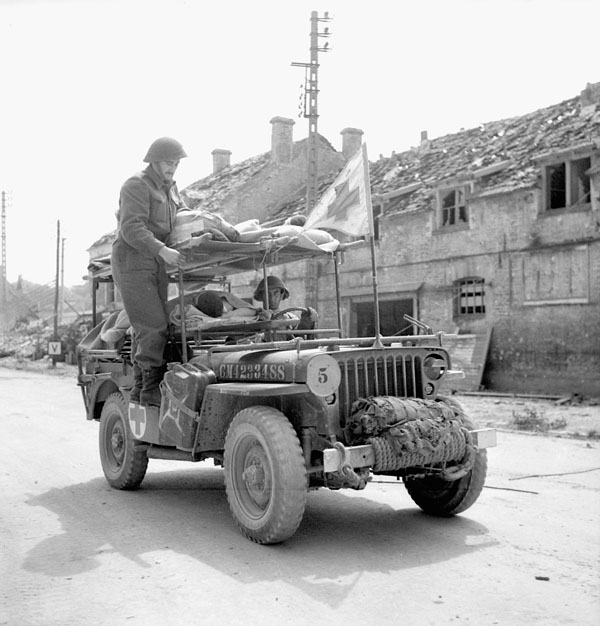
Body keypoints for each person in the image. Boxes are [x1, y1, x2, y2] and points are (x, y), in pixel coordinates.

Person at [111, 137, 188, 406]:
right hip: (133, 259)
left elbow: (183, 216)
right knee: (152, 324)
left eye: (177, 164)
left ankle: (141, 389)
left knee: (157, 324)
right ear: (154, 160)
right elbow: (131, 228)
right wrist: (163, 251)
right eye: (169, 163)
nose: (173, 168)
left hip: (154, 262)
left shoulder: (171, 190)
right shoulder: (136, 185)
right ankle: (147, 392)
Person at [252, 275, 318, 334]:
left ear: (282, 294)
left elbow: (298, 338)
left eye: (276, 292)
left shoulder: (291, 318)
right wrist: (265, 322)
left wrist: (305, 324)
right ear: (261, 296)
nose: (272, 297)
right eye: (267, 293)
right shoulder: (255, 318)